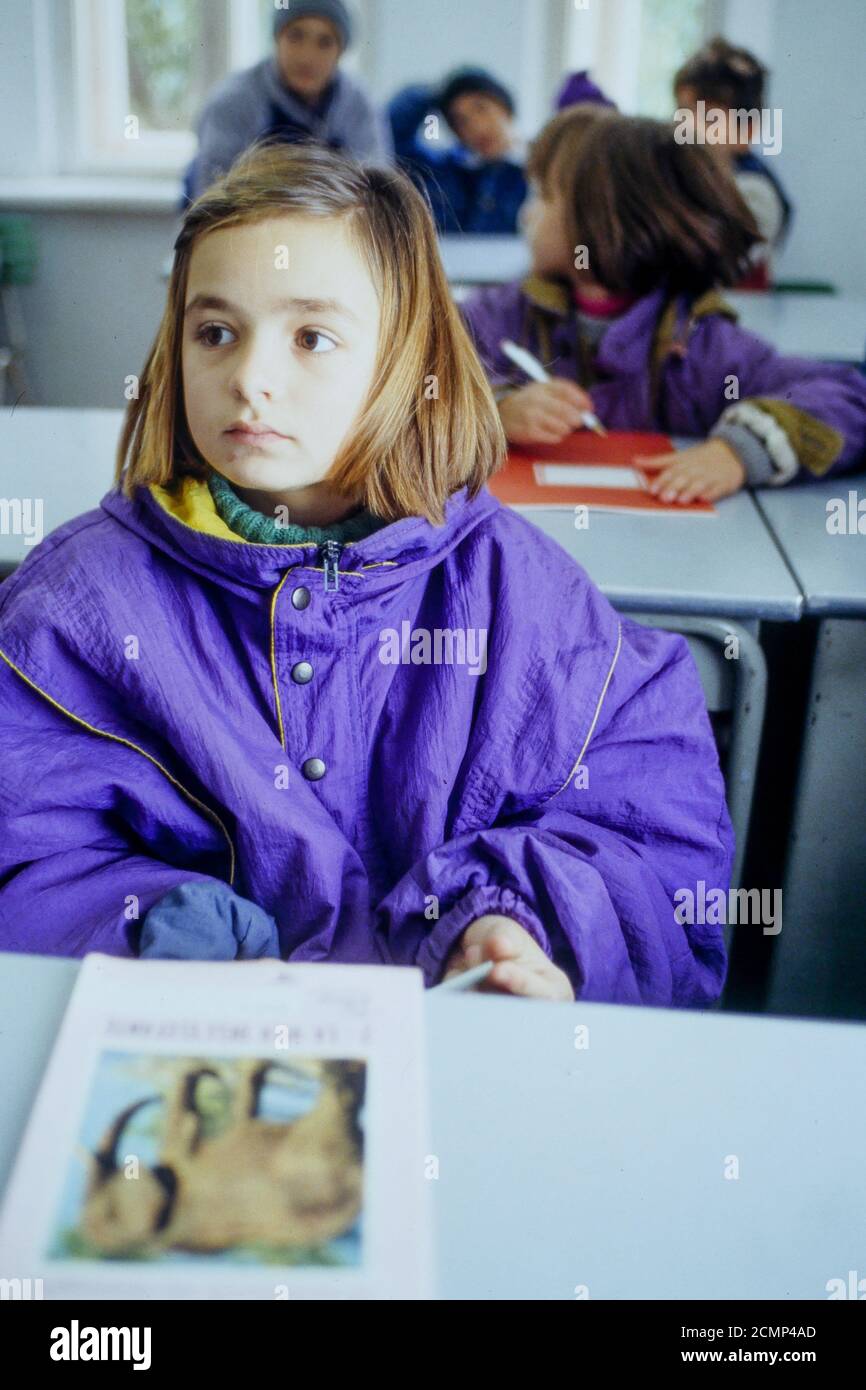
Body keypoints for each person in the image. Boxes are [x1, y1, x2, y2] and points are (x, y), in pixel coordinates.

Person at [0, 142, 733, 1005]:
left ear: (405, 363)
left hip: (462, 1071)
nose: (250, 378)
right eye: (215, 331)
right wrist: (149, 928)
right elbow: (29, 856)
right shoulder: (74, 607)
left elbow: (652, 827)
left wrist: (522, 921)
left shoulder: (517, 593)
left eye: (312, 336)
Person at [461, 110, 866, 503]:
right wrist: (498, 411)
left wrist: (737, 453)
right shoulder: (500, 314)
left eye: (546, 196)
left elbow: (847, 398)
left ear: (604, 225)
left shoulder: (699, 341)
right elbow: (421, 382)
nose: (528, 212)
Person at [181, 0, 390, 206]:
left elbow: (375, 195)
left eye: (324, 42)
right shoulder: (232, 102)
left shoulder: (359, 106)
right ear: (277, 37)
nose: (307, 56)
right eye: (296, 36)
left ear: (340, 51)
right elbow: (209, 199)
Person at [674, 36, 792, 289]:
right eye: (682, 114)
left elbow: (715, 262)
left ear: (747, 132)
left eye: (708, 119)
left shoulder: (755, 192)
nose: (688, 128)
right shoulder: (683, 177)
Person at [388, 67, 526, 233]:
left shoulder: (538, 169)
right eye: (461, 121)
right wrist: (436, 93)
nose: (476, 126)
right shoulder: (446, 172)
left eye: (481, 109)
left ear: (505, 108)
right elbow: (391, 139)